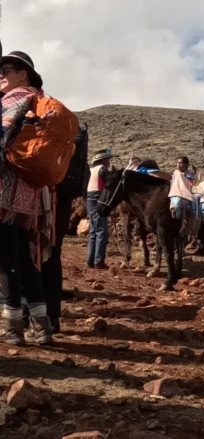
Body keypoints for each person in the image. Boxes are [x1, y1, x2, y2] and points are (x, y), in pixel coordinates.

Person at [0, 51, 52, 345]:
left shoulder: (15, 98)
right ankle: (42, 327)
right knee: (22, 257)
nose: (1, 74)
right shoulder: (41, 102)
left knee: (6, 259)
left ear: (24, 74)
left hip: (6, 193)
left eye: (7, 69)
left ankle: (12, 327)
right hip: (29, 197)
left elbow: (2, 131)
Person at [40, 122, 89, 332]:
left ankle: (29, 314)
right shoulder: (75, 139)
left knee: (30, 254)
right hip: (63, 200)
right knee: (53, 254)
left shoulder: (40, 122)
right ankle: (52, 316)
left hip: (43, 197)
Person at [86, 148, 114, 269]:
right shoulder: (102, 169)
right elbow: (109, 182)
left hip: (89, 199)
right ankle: (98, 261)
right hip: (98, 198)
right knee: (102, 231)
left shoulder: (90, 169)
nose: (108, 161)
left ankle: (90, 260)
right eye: (107, 159)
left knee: (93, 231)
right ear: (102, 160)